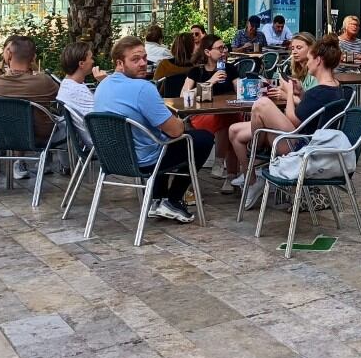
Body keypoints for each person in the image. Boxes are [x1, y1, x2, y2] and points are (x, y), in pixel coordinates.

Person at [93, 35, 213, 223]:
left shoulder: (102, 85)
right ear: (119, 63)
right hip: (143, 161)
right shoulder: (143, 88)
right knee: (201, 138)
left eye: (144, 58)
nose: (143, 63)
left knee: (158, 137)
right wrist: (177, 120)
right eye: (135, 59)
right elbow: (175, 131)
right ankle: (172, 200)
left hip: (113, 159)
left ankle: (157, 200)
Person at [229, 35, 345, 208]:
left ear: (319, 61)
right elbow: (311, 111)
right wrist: (302, 93)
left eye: (311, 59)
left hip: (300, 147)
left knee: (261, 104)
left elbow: (292, 119)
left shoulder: (319, 91)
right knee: (234, 130)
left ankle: (256, 151)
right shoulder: (335, 87)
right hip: (309, 141)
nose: (308, 63)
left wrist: (290, 92)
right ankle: (253, 178)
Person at [0, 36, 60, 177]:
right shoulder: (44, 81)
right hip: (41, 137)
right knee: (63, 122)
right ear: (33, 58)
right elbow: (60, 99)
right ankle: (69, 164)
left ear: (9, 54)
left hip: (4, 134)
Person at [181, 35, 245, 192]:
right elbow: (183, 94)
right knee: (230, 124)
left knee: (230, 121)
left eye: (224, 47)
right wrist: (210, 81)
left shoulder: (230, 69)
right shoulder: (197, 71)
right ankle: (227, 172)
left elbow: (240, 92)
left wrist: (243, 87)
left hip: (226, 114)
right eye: (220, 48)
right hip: (203, 116)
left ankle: (223, 167)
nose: (224, 51)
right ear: (208, 52)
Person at [56, 41, 108, 146]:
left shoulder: (68, 85)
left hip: (93, 139)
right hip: (103, 142)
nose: (93, 61)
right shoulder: (76, 91)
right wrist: (106, 83)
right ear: (81, 64)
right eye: (91, 58)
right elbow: (104, 115)